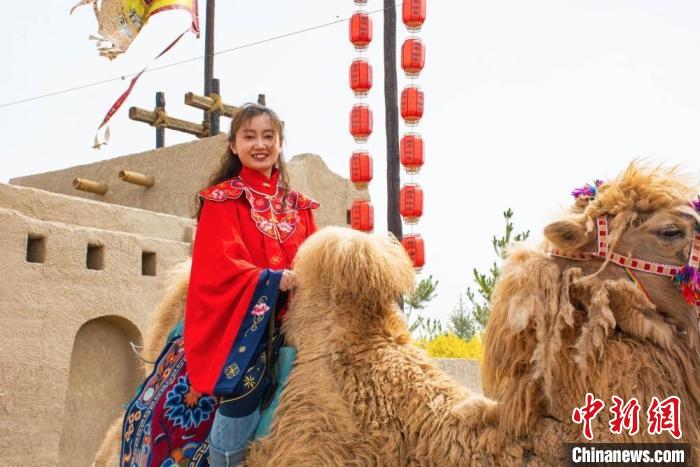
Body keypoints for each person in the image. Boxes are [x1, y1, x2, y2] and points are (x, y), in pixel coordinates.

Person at [185, 103, 319, 466]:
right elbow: (220, 264)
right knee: (245, 390)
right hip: (247, 324)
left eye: (268, 136)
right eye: (249, 137)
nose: (259, 144)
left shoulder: (300, 206)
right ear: (233, 145)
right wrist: (272, 279)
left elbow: (315, 258)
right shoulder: (221, 200)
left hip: (302, 320)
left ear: (279, 143)